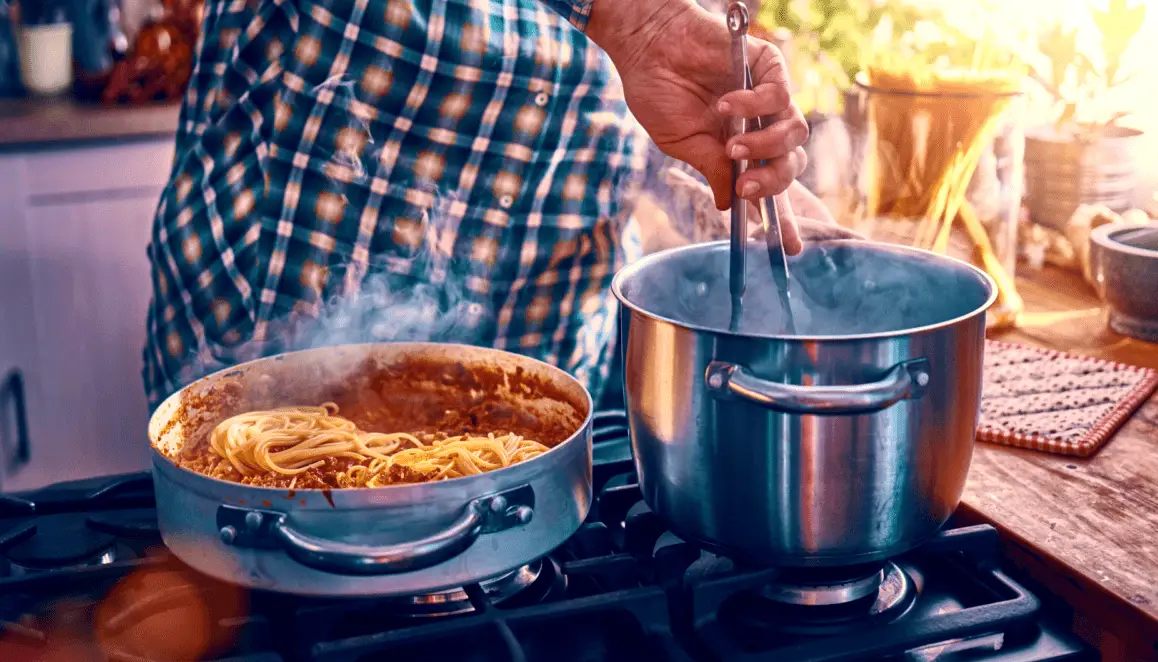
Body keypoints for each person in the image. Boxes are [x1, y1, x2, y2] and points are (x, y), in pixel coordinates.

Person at [142, 0, 852, 410]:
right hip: (270, 381)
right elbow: (644, 25)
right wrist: (632, 16)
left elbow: (644, 103)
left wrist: (729, 186)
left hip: (533, 415)